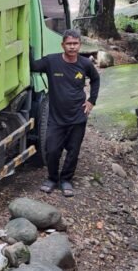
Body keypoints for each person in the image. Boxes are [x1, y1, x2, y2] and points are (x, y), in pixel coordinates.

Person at [31, 29, 100, 197]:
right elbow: (32, 67)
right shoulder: (51, 62)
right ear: (63, 45)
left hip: (77, 116)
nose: (72, 47)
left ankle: (66, 180)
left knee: (73, 151)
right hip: (56, 118)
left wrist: (91, 100)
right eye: (69, 44)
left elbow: (96, 79)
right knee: (52, 149)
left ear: (79, 45)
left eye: (75, 44)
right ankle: (52, 178)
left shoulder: (85, 64)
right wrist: (27, 49)